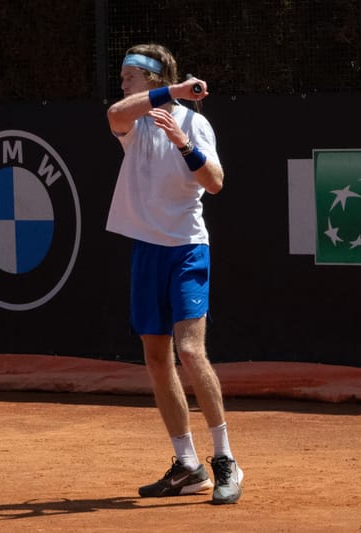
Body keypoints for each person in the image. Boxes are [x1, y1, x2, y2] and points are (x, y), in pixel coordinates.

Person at [105, 43, 242, 505]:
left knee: (189, 350)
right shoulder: (133, 123)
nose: (122, 80)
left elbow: (216, 183)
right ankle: (187, 465)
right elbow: (115, 113)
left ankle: (225, 460)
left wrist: (183, 144)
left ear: (152, 74)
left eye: (130, 74)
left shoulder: (194, 122)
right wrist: (174, 90)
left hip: (186, 248)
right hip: (147, 250)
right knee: (156, 359)